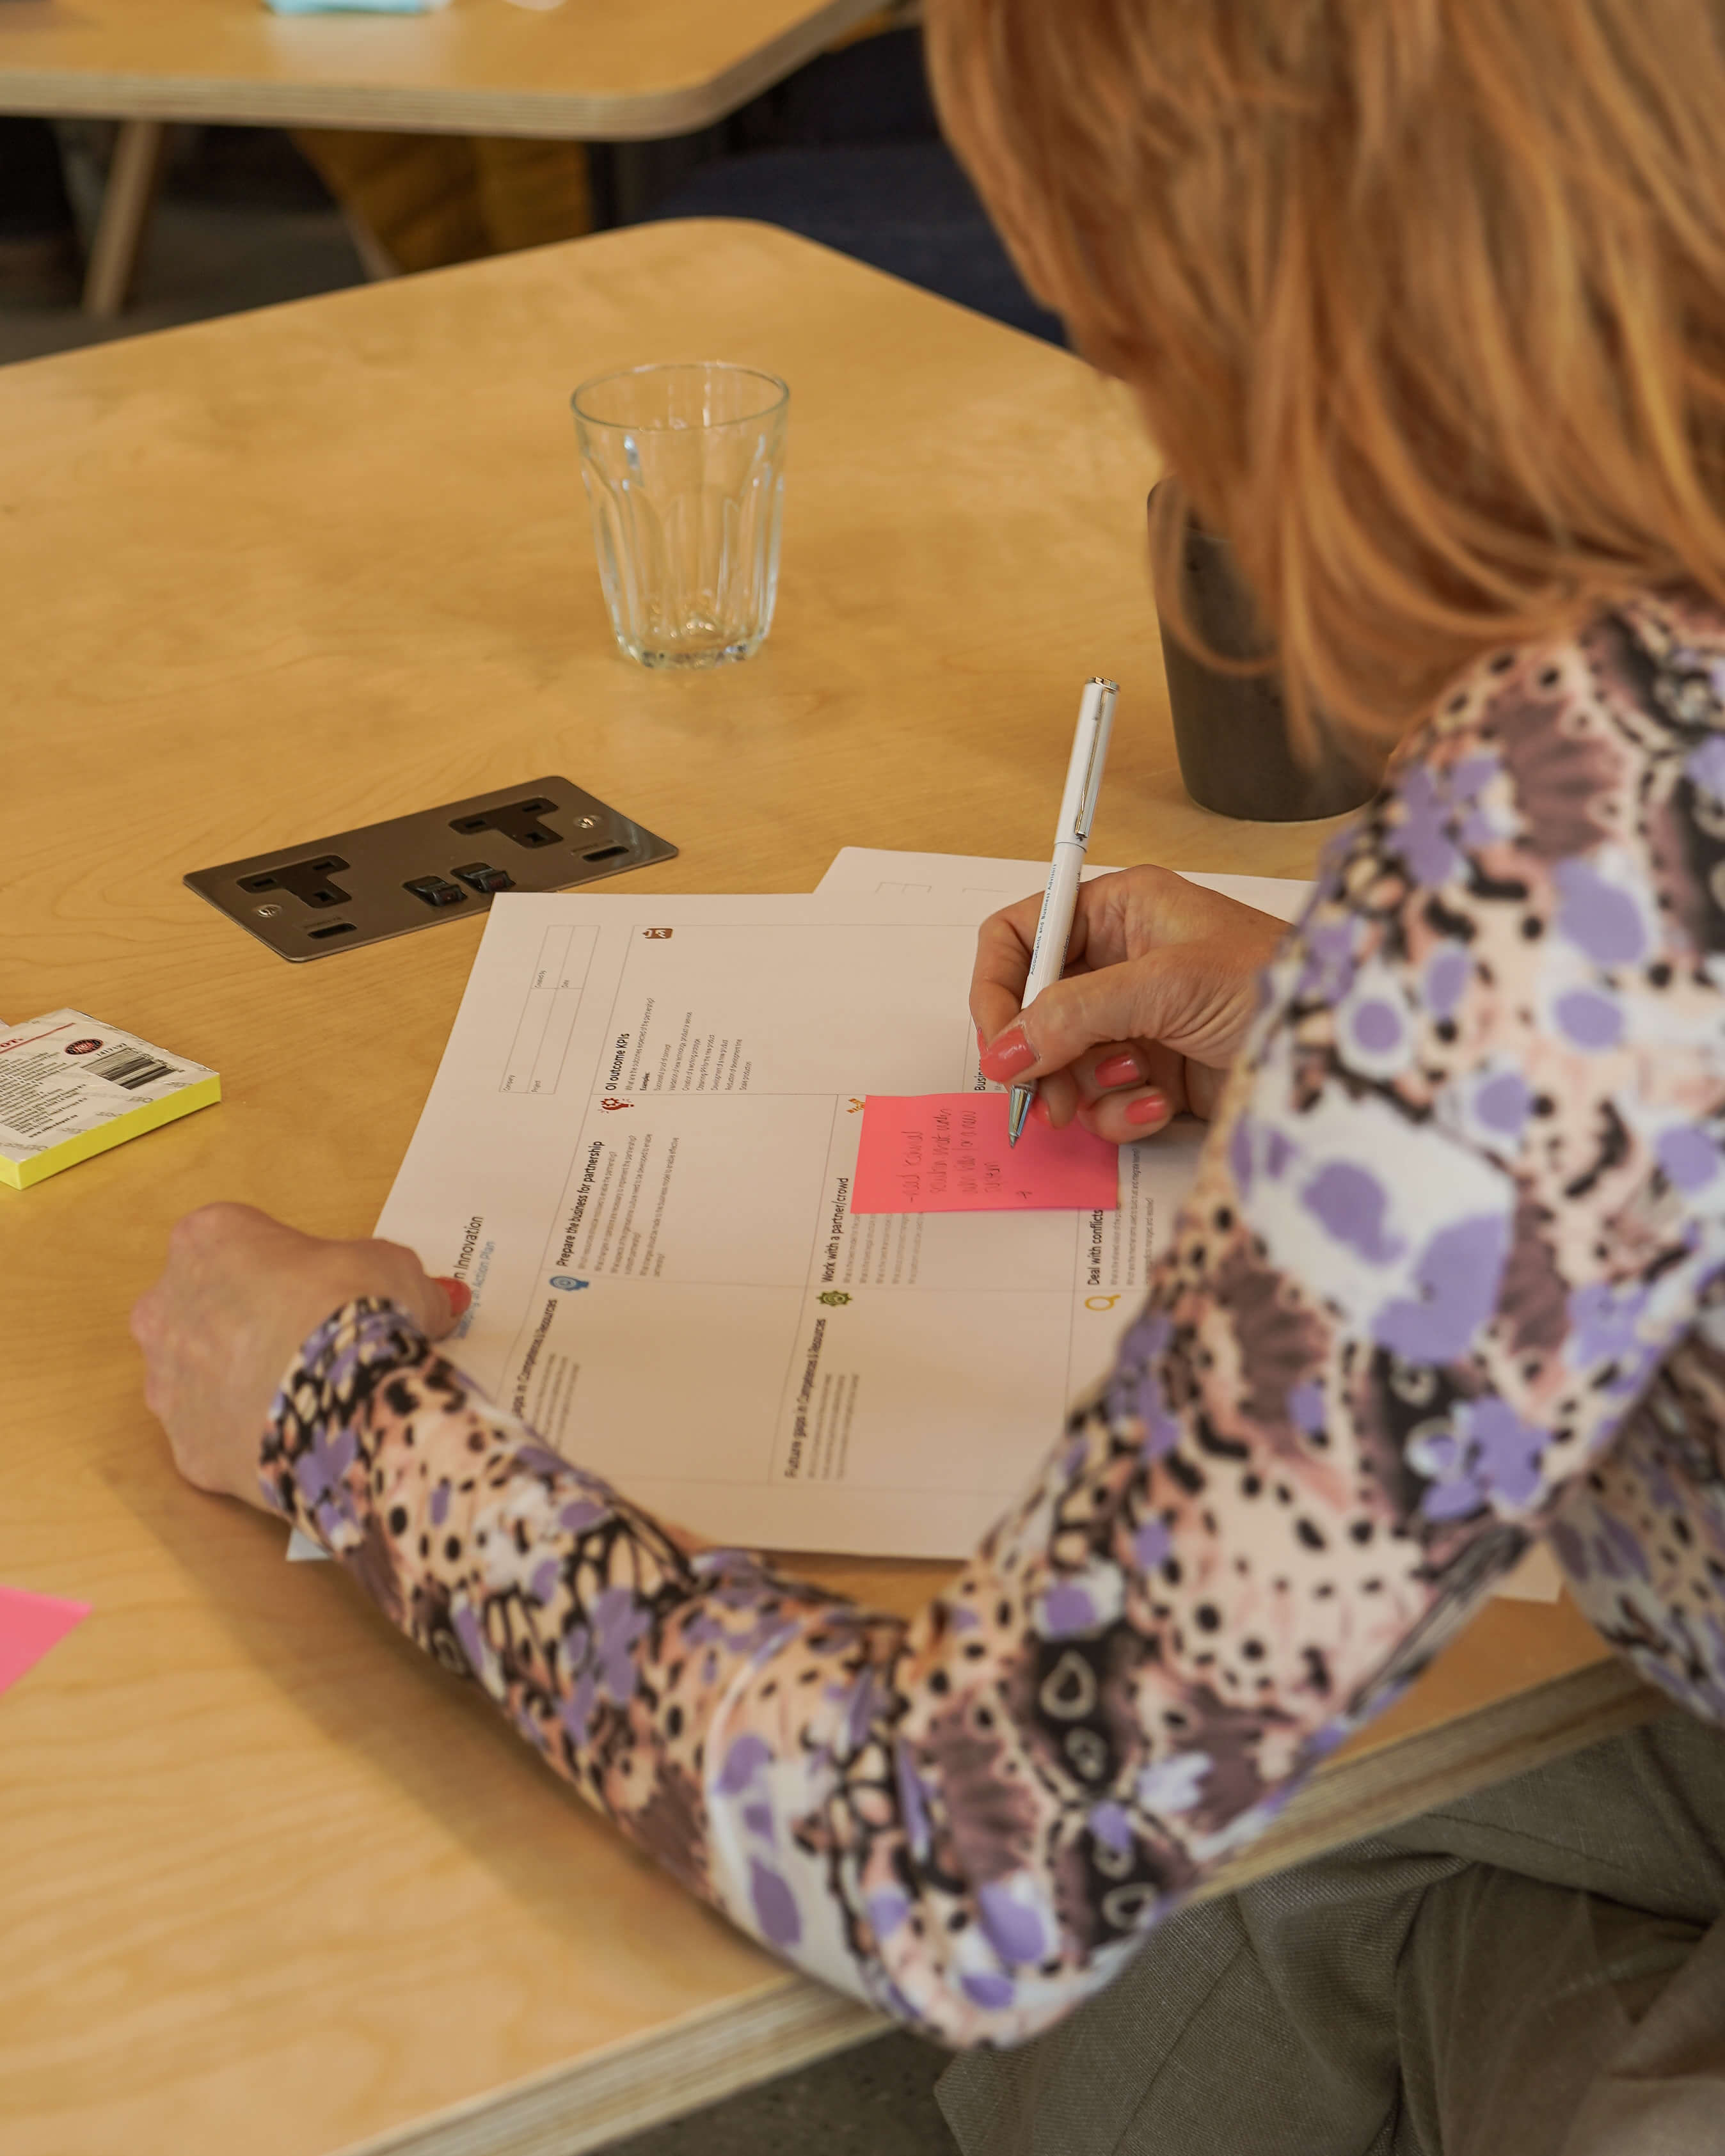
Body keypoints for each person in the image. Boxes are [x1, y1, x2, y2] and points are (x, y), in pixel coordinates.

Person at [131, 3, 1725, 2149]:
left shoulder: (1584, 822)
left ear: (1278, 288)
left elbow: (960, 1856)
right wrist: (1351, 1027)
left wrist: (340, 1402)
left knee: (925, 2015)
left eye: (1122, 332)